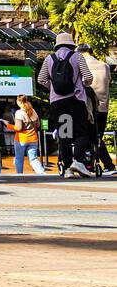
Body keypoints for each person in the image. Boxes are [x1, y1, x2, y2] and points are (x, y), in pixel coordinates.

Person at [38, 32, 95, 178]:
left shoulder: (49, 59)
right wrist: (82, 85)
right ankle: (78, 161)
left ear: (57, 45)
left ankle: (68, 168)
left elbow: (41, 79)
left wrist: (54, 88)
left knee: (65, 134)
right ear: (71, 44)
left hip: (57, 103)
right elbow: (88, 77)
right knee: (82, 132)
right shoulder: (78, 56)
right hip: (76, 101)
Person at [79, 44, 114, 176]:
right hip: (103, 106)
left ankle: (101, 163)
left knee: (89, 135)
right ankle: (106, 164)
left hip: (89, 107)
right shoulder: (104, 65)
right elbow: (107, 82)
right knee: (98, 136)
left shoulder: (82, 66)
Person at [3, 95, 45, 174]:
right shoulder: (33, 111)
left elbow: (18, 128)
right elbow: (38, 125)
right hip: (33, 139)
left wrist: (7, 125)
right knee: (33, 159)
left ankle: (19, 175)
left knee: (19, 159)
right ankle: (41, 172)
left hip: (21, 139)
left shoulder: (19, 113)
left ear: (19, 102)